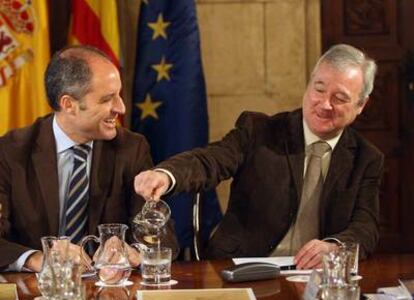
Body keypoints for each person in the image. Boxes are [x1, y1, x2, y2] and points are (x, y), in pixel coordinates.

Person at [134, 44, 383, 269]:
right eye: (319, 90)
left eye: (339, 99)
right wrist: (166, 175)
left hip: (314, 274)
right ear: (308, 85)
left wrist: (335, 247)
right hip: (241, 265)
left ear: (361, 105)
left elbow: (366, 226)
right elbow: (210, 159)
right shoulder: (259, 130)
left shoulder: (366, 158)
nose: (324, 104)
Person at [0, 45, 179, 272]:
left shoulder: (131, 148)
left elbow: (162, 237)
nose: (121, 108)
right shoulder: (10, 151)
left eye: (119, 95)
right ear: (69, 105)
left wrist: (133, 252)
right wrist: (37, 258)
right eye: (107, 99)